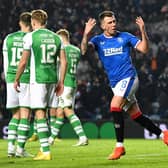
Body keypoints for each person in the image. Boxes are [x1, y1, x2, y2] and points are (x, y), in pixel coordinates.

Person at [81, 10, 168, 160]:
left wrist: (143, 31)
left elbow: (144, 49)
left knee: (114, 105)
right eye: (110, 22)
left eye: (114, 21)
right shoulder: (97, 40)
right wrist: (86, 34)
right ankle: (163, 134)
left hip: (129, 78)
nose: (114, 24)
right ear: (103, 26)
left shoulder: (125, 36)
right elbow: (83, 51)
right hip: (115, 83)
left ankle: (119, 146)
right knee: (136, 115)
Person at [14, 9, 67, 160]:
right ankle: (44, 149)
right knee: (45, 114)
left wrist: (17, 78)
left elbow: (23, 62)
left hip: (38, 80)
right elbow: (64, 61)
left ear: (34, 22)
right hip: (52, 79)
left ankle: (45, 151)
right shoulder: (56, 37)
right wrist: (61, 81)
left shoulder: (30, 37)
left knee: (39, 113)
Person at [48, 29, 88, 146]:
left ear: (60, 38)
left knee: (68, 111)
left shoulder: (61, 50)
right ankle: (51, 139)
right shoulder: (76, 50)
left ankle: (83, 137)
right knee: (60, 112)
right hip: (73, 83)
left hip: (64, 83)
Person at [3, 12, 33, 157]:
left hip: (10, 78)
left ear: (20, 23)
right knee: (26, 115)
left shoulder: (8, 38)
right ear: (32, 23)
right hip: (26, 78)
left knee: (15, 114)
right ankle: (20, 149)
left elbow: (5, 60)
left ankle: (10, 148)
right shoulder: (32, 38)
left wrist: (8, 79)